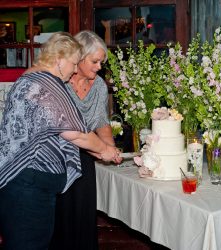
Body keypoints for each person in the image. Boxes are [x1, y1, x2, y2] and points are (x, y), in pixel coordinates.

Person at [0, 31, 120, 250]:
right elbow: (77, 133)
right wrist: (105, 150)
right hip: (29, 185)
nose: (75, 69)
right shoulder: (49, 86)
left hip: (17, 183)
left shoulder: (28, 79)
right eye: (74, 63)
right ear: (59, 60)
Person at [48, 30, 121, 250]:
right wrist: (102, 150)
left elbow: (101, 122)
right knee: (61, 218)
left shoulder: (98, 85)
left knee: (84, 216)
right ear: (79, 58)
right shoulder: (59, 82)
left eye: (101, 62)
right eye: (95, 61)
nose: (99, 67)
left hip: (86, 158)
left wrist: (111, 149)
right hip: (57, 158)